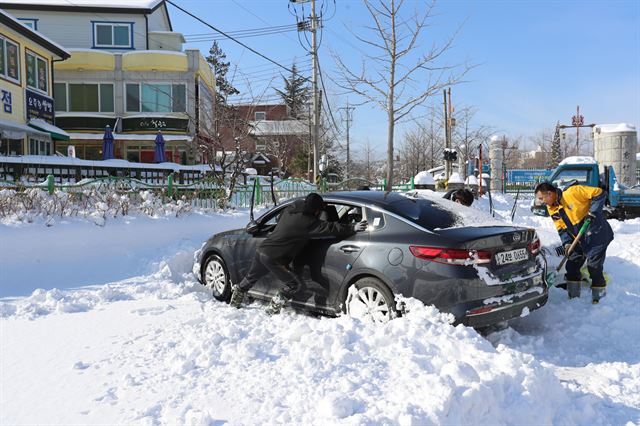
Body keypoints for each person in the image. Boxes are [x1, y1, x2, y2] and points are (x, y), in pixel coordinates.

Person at [229, 192, 368, 315]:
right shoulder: (307, 222)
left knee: (251, 277)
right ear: (315, 211)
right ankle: (271, 311)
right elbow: (329, 227)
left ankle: (234, 302)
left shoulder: (291, 209)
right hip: (275, 259)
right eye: (319, 210)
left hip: (262, 250)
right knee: (293, 285)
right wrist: (352, 227)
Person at [534, 181, 614, 301]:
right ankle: (574, 298)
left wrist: (592, 212)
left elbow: (600, 193)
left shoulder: (573, 192)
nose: (541, 202)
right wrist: (567, 243)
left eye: (541, 198)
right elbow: (561, 228)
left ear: (549, 194)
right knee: (572, 266)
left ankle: (599, 298)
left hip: (597, 234)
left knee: (594, 266)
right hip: (578, 238)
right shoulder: (552, 208)